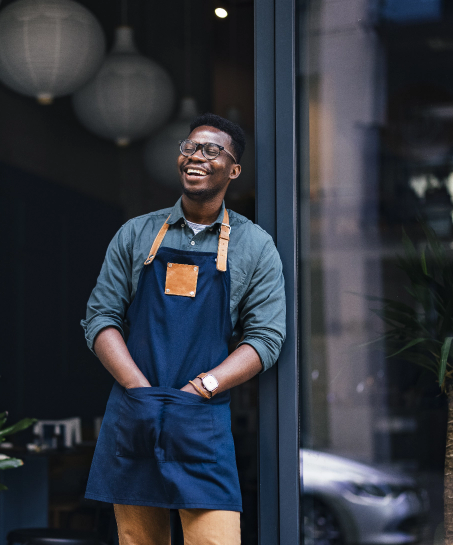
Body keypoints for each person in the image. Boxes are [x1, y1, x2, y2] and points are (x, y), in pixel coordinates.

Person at [81, 113, 286, 545]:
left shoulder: (254, 245)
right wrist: (138, 389)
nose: (196, 156)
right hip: (136, 412)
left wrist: (203, 387)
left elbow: (266, 339)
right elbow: (100, 318)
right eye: (190, 147)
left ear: (233, 170)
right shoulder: (135, 234)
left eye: (212, 150)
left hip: (199, 418)